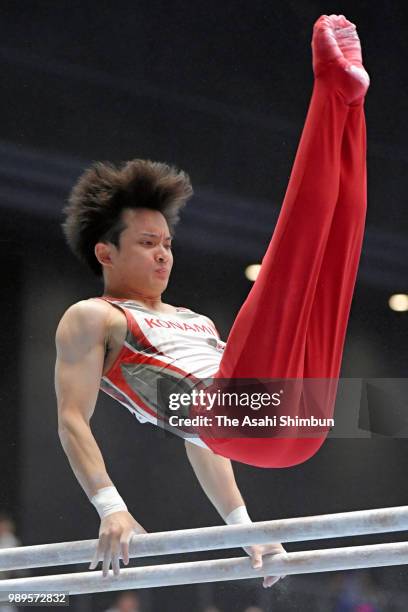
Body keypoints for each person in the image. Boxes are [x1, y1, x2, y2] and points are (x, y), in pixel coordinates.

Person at [55, 14, 369, 584]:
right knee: (300, 258)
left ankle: (347, 100)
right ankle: (333, 90)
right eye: (147, 243)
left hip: (277, 421)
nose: (163, 255)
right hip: (247, 416)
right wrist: (110, 505)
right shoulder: (94, 318)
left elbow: (201, 439)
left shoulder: (194, 321)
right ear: (105, 253)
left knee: (330, 254)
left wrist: (246, 528)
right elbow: (72, 418)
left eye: (168, 244)